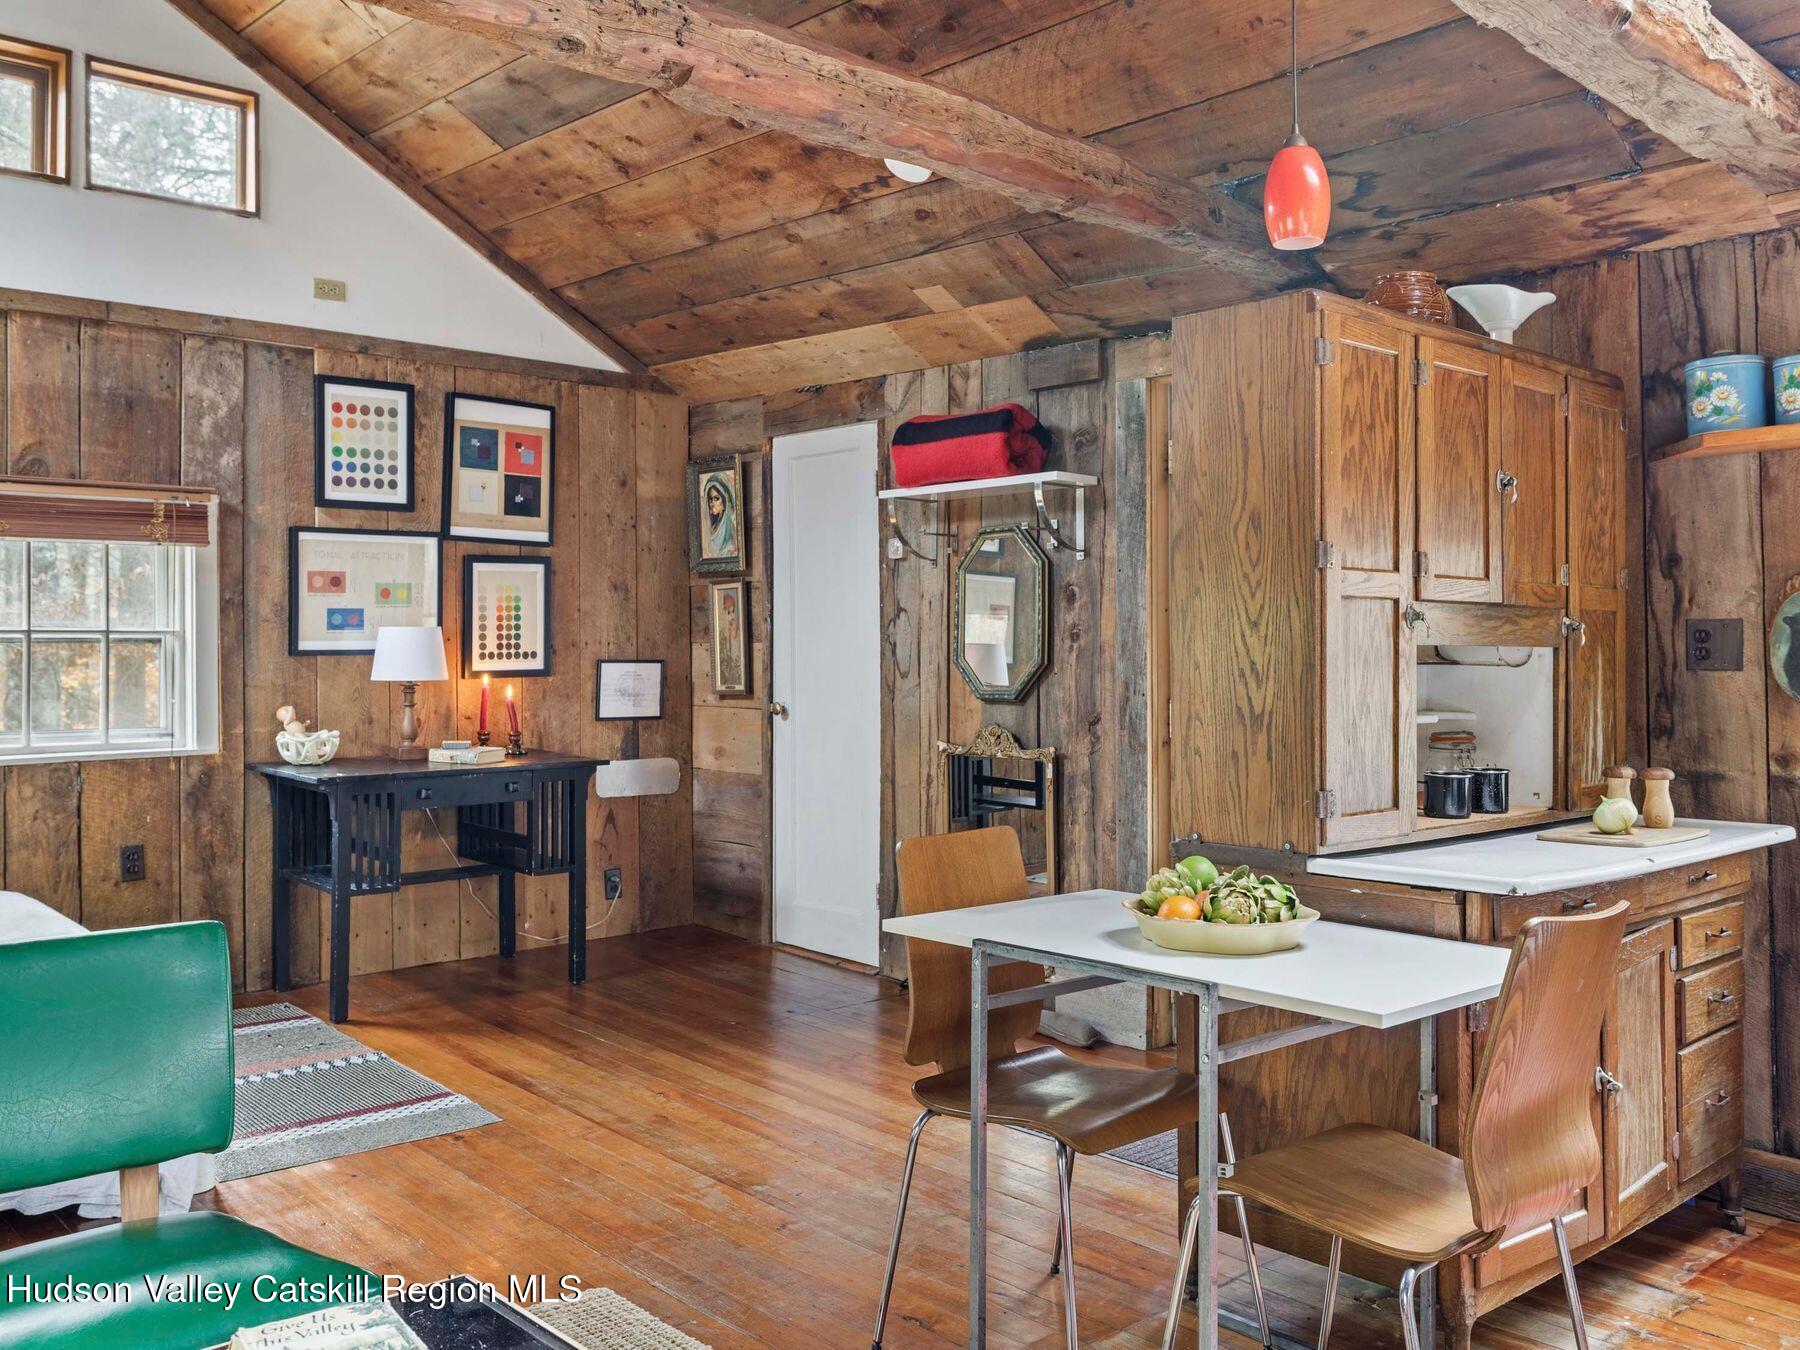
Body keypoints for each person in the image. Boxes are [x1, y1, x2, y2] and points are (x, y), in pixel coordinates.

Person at [703, 476, 736, 559]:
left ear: (724, 501)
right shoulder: (714, 526)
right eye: (710, 500)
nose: (712, 504)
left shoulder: (728, 530)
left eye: (716, 499)